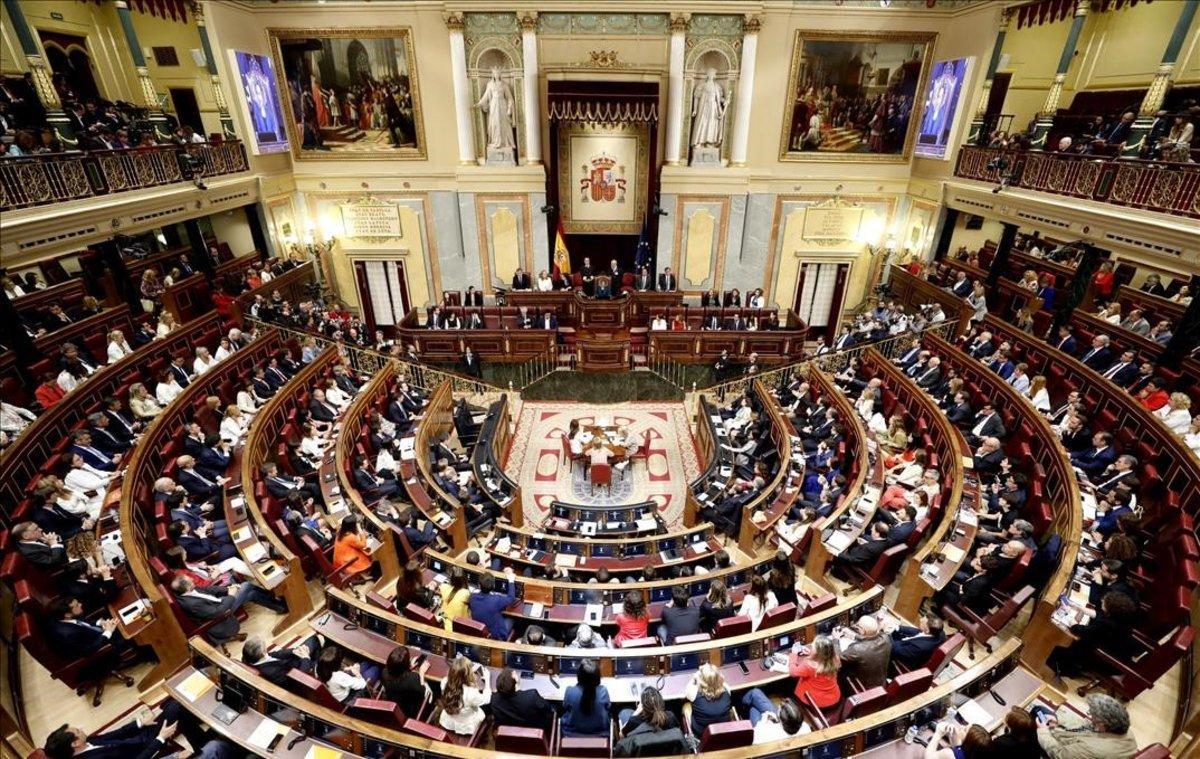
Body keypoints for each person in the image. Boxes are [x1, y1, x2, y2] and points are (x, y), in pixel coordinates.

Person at [1037, 694, 1137, 758]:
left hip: (1064, 753)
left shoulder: (1090, 748)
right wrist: (1059, 721)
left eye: (1092, 715)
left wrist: (1042, 731)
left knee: (1028, 727)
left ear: (1102, 723)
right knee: (1040, 710)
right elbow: (1086, 725)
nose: (1090, 717)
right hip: (1078, 746)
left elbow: (1058, 754)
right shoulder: (1123, 729)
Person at [242, 633, 322, 687]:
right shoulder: (271, 672)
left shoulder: (253, 657)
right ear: (263, 653)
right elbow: (297, 679)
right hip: (299, 669)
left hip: (292, 660)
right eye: (265, 646)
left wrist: (295, 651)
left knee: (313, 639)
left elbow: (275, 654)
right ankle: (316, 666)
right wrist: (305, 658)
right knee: (322, 656)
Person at [490, 667, 555, 733]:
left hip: (510, 734)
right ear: (515, 681)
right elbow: (548, 708)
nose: (515, 672)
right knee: (555, 707)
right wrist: (540, 699)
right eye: (514, 674)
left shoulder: (494, 699)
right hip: (535, 732)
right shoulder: (532, 696)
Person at [438, 657, 491, 735]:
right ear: (467, 675)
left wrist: (465, 671)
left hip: (448, 722)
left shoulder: (444, 682)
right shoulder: (471, 693)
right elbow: (487, 699)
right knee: (486, 709)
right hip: (465, 726)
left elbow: (458, 678)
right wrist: (487, 680)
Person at [788, 634, 841, 708]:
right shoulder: (835, 659)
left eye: (813, 646)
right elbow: (822, 659)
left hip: (816, 703)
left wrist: (793, 654)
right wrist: (811, 654)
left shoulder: (809, 666)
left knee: (788, 687)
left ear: (818, 653)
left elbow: (793, 672)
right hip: (834, 700)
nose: (811, 645)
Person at [838, 616, 891, 689]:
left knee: (838, 669)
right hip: (882, 684)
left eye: (858, 626)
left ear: (863, 631)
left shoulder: (857, 649)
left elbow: (837, 658)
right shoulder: (886, 639)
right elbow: (872, 638)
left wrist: (835, 640)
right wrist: (855, 636)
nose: (856, 626)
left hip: (863, 688)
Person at [561, 658, 611, 736]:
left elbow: (565, 707)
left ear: (579, 675)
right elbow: (608, 707)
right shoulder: (603, 691)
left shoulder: (570, 691)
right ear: (597, 677)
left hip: (571, 735)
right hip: (600, 735)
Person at [381, 645, 432, 719]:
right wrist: (421, 674)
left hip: (394, 707)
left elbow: (398, 674)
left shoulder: (384, 672)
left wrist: (409, 668)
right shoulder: (413, 679)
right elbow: (426, 695)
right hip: (409, 712)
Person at [684, 663, 732, 737]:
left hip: (702, 733)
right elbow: (722, 682)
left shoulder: (694, 693)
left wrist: (694, 678)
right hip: (723, 731)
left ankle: (687, 733)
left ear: (702, 680)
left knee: (686, 706)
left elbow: (686, 691)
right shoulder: (727, 690)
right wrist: (715, 678)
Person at [469, 566, 517, 640]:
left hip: (480, 633)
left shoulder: (472, 597)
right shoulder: (496, 600)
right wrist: (511, 580)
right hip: (496, 636)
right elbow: (511, 598)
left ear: (479, 585)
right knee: (512, 618)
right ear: (494, 586)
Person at [923, 722, 992, 759]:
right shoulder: (973, 753)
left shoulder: (948, 753)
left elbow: (928, 757)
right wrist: (953, 736)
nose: (962, 726)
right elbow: (959, 749)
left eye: (964, 730)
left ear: (968, 742)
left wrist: (938, 734)